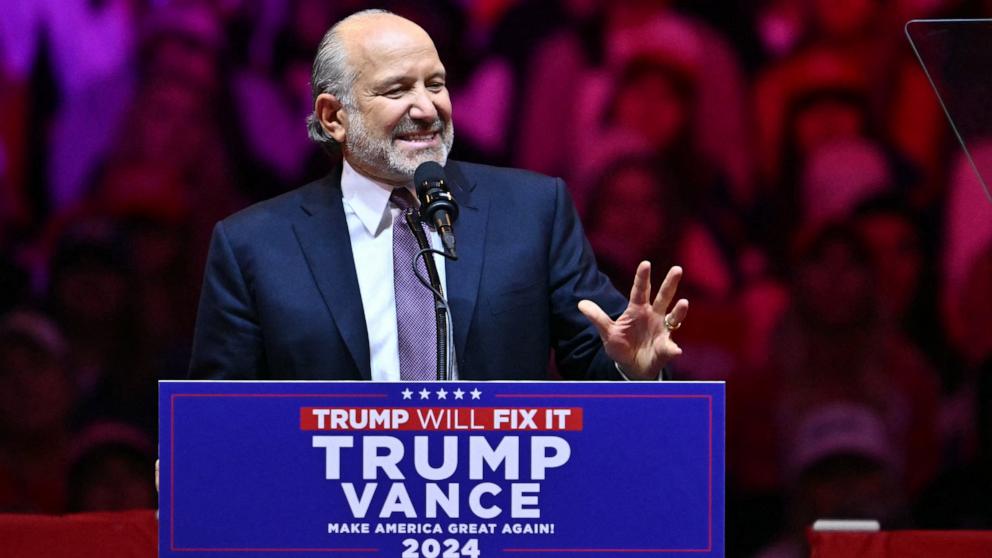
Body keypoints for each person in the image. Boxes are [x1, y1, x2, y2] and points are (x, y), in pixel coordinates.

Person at [188, 9, 688, 382]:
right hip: (327, 516)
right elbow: (223, 421)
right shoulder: (253, 247)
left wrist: (632, 370)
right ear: (333, 117)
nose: (427, 108)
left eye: (436, 84)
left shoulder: (533, 213)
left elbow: (601, 360)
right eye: (396, 89)